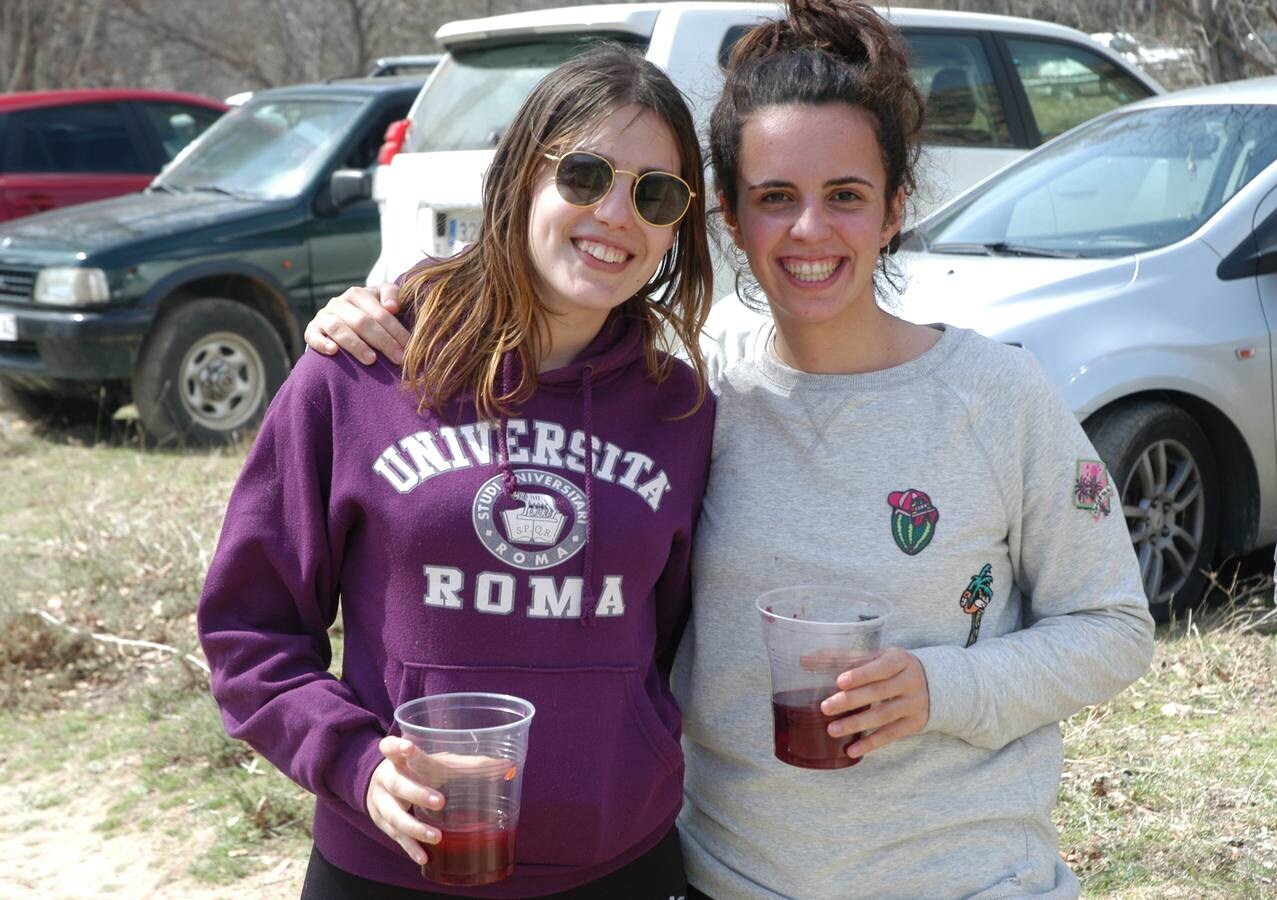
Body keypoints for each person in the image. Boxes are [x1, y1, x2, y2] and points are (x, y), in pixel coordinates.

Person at [303, 1, 1156, 897]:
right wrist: (399, 302)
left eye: (846, 197)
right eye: (775, 198)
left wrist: (940, 688)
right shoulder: (701, 402)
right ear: (729, 217)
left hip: (968, 877)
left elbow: (1111, 629)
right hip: (729, 879)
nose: (809, 231)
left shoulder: (997, 396)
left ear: (895, 209)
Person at [197, 46, 716, 899]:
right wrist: (356, 764)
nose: (617, 213)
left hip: (619, 861)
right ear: (520, 176)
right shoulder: (364, 367)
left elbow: (679, 637)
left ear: (675, 226)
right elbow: (249, 630)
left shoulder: (681, 413)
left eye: (654, 193)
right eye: (584, 175)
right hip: (394, 862)